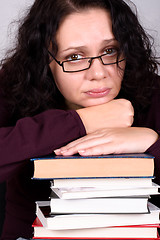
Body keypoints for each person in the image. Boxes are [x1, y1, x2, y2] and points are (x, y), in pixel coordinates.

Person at [0, 0, 159, 239]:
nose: (98, 73)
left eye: (110, 50)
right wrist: (80, 122)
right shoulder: (12, 89)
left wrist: (151, 142)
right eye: (74, 56)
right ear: (46, 60)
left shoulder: (152, 92)